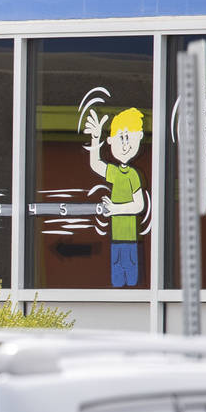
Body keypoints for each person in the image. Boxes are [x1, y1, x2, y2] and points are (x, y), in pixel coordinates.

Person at [85, 107, 146, 287]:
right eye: (121, 138)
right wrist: (95, 138)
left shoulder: (133, 175)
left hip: (129, 238)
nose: (126, 144)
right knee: (117, 280)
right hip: (117, 238)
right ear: (111, 141)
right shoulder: (116, 172)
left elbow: (139, 205)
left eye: (129, 138)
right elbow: (96, 164)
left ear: (139, 138)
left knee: (132, 278)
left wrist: (115, 209)